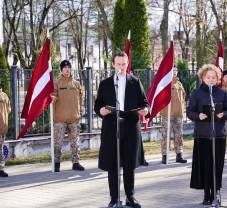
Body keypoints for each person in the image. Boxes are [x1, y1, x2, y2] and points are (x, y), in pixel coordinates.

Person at [94, 52, 149, 208]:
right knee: (113, 164)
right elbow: (98, 104)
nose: (122, 67)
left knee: (130, 164)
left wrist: (145, 110)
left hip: (131, 125)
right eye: (118, 64)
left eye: (124, 64)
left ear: (127, 63)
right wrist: (101, 111)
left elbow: (144, 102)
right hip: (112, 127)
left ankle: (130, 197)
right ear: (113, 64)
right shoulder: (105, 83)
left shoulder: (135, 82)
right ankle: (114, 197)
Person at [187, 64, 227, 205]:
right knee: (205, 165)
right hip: (202, 135)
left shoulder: (223, 93)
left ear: (218, 78)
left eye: (214, 77)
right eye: (208, 77)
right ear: (202, 78)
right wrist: (198, 115)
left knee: (217, 166)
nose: (211, 80)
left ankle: (216, 193)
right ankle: (206, 194)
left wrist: (223, 114)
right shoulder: (196, 93)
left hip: (218, 135)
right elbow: (189, 112)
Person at [53, 60, 85, 172]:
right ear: (61, 69)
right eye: (64, 67)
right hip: (60, 119)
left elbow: (81, 98)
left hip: (74, 118)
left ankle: (76, 163)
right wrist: (52, 98)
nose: (67, 69)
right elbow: (53, 97)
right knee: (58, 143)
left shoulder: (76, 83)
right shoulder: (56, 83)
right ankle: (56, 163)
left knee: (75, 142)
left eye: (68, 67)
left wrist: (78, 111)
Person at [160, 66, 187, 164]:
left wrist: (182, 110)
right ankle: (164, 155)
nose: (175, 72)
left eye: (176, 71)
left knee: (179, 135)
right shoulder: (165, 83)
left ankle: (179, 155)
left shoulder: (179, 84)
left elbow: (183, 97)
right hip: (167, 113)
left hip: (178, 113)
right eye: (173, 71)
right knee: (165, 135)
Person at [0, 86, 11, 177]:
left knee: (1, 148)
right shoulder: (5, 96)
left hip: (2, 126)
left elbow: (8, 110)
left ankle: (1, 169)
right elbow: (9, 110)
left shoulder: (4, 96)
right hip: (3, 126)